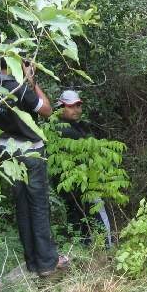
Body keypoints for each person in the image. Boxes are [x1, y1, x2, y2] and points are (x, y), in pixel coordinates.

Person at [0, 58, 68, 277]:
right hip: (31, 152)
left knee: (22, 206)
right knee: (38, 206)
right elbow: (46, 109)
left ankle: (33, 262)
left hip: (7, 152)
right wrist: (31, 81)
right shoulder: (18, 87)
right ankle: (47, 263)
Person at [55, 90, 112, 247]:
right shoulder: (65, 131)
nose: (77, 110)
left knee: (78, 219)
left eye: (78, 105)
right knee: (94, 216)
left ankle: (85, 250)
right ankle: (108, 250)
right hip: (80, 185)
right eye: (72, 106)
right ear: (61, 107)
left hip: (74, 187)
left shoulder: (75, 126)